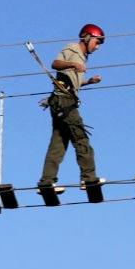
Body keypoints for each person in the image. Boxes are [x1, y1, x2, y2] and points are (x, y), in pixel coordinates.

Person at [40, 23, 104, 189]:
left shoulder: (82, 57)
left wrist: (89, 81)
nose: (97, 47)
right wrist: (73, 65)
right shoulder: (73, 48)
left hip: (62, 102)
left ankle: (46, 182)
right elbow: (55, 63)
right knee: (80, 137)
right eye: (97, 42)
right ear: (87, 37)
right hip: (65, 102)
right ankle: (88, 178)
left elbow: (72, 83)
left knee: (58, 144)